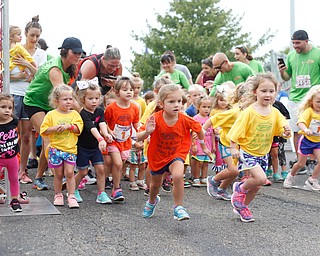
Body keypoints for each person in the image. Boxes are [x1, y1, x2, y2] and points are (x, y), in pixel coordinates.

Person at [138, 84, 212, 221]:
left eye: (179, 101)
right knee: (155, 185)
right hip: (158, 156)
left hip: (176, 153)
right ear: (161, 103)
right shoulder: (155, 119)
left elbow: (199, 130)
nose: (176, 105)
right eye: (171, 102)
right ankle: (152, 201)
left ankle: (178, 207)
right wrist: (147, 132)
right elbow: (138, 137)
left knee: (178, 175)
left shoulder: (185, 119)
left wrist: (204, 146)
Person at [23, 36, 85, 190]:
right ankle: (44, 176)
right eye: (75, 53)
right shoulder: (55, 69)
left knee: (57, 137)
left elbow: (70, 96)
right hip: (34, 102)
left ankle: (45, 175)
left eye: (80, 53)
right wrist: (84, 114)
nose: (78, 56)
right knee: (47, 136)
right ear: (64, 51)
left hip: (52, 104)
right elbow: (65, 94)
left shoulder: (71, 67)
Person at [228, 73, 291, 222]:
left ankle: (242, 206)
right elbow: (235, 132)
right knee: (261, 178)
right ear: (255, 92)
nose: (268, 94)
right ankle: (239, 189)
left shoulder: (275, 112)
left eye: (271, 91)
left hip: (263, 153)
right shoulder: (249, 112)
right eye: (263, 91)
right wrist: (233, 148)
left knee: (257, 185)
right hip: (248, 152)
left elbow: (280, 128)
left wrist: (285, 131)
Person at [9, 16, 47, 185]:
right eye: (31, 35)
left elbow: (39, 76)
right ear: (24, 34)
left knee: (26, 136)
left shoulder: (41, 54)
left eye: (37, 36)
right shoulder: (14, 49)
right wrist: (23, 75)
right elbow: (7, 72)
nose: (34, 39)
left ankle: (22, 170)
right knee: (9, 133)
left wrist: (27, 64)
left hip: (30, 96)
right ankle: (7, 168)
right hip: (12, 94)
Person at [278, 30, 320, 173]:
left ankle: (314, 161)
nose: (295, 46)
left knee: (315, 128)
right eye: (293, 43)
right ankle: (300, 160)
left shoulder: (317, 54)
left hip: (312, 99)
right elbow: (286, 77)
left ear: (306, 41)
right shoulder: (291, 56)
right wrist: (282, 71)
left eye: (298, 43)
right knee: (297, 130)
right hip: (295, 98)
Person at [204, 82, 253, 201]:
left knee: (236, 171)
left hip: (239, 146)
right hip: (226, 143)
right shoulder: (235, 112)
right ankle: (213, 180)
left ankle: (222, 189)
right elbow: (214, 118)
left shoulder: (252, 112)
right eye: (254, 98)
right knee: (233, 170)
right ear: (244, 98)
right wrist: (202, 130)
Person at [40, 85, 83, 208]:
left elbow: (78, 129)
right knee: (58, 174)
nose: (68, 101)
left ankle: (71, 195)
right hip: (55, 149)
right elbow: (44, 130)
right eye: (65, 99)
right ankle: (58, 194)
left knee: (69, 173)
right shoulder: (51, 115)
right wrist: (55, 128)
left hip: (70, 149)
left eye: (70, 99)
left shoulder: (75, 114)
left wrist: (68, 126)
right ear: (56, 101)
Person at [73, 78, 113, 204]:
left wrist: (106, 134)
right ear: (82, 99)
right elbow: (90, 127)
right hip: (83, 147)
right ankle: (73, 191)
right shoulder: (83, 113)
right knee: (83, 171)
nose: (94, 101)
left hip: (95, 147)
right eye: (90, 99)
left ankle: (101, 193)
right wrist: (100, 138)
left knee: (101, 169)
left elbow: (101, 123)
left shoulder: (100, 111)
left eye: (96, 98)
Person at [104, 77, 140, 201]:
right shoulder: (111, 108)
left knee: (120, 166)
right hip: (113, 141)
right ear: (117, 92)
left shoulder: (135, 107)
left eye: (131, 89)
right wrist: (109, 132)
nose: (129, 92)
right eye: (125, 89)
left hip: (126, 142)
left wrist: (142, 132)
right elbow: (104, 123)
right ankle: (116, 188)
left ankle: (115, 188)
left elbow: (135, 123)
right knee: (117, 163)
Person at [283, 85, 320, 190]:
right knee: (300, 163)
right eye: (318, 101)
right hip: (306, 141)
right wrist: (305, 129)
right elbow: (301, 122)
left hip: (318, 142)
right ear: (311, 101)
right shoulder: (309, 111)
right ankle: (290, 176)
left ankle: (312, 180)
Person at [0, 94, 23, 212]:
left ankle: (15, 200)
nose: (7, 110)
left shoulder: (14, 121)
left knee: (14, 178)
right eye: (3, 107)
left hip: (12, 157)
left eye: (9, 108)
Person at [191, 95, 214, 187]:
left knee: (205, 162)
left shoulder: (210, 119)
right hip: (199, 144)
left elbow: (212, 133)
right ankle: (196, 178)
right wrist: (193, 144)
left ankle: (204, 177)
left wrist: (213, 145)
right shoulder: (195, 118)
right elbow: (193, 132)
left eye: (208, 107)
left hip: (208, 144)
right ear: (198, 107)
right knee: (198, 162)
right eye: (204, 107)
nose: (206, 109)